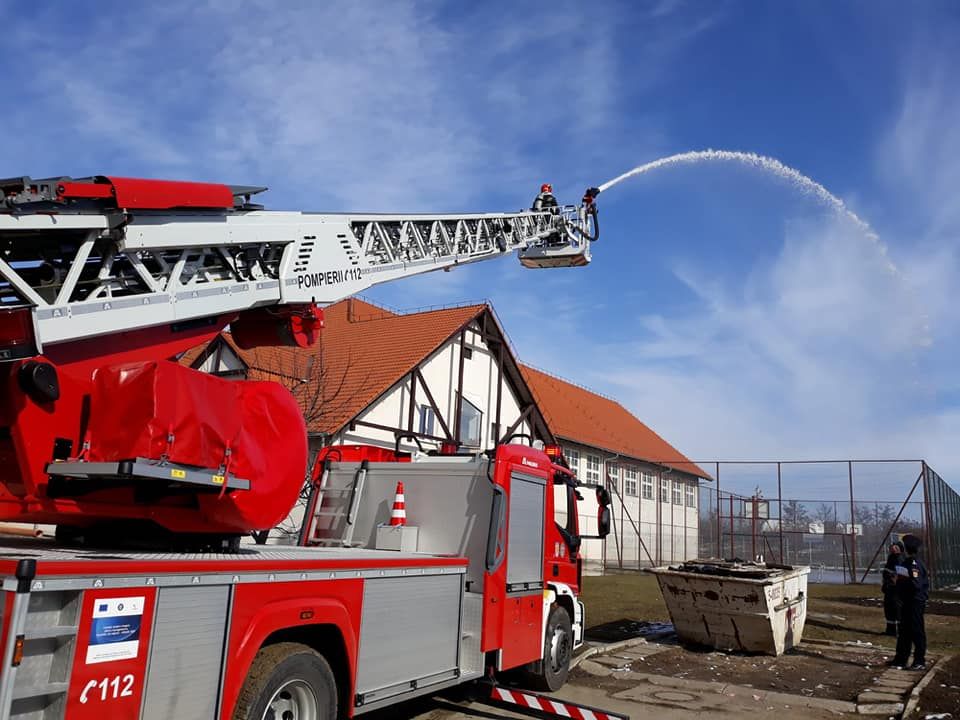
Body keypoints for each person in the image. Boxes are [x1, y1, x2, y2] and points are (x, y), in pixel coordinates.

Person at [889, 533, 928, 670]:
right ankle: (900, 659)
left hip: (915, 602)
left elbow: (916, 585)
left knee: (916, 630)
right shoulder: (906, 562)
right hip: (906, 601)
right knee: (904, 631)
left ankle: (919, 661)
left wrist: (901, 581)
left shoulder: (914, 564)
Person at [881, 540, 904, 636]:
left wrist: (894, 580)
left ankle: (900, 632)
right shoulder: (891, 558)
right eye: (892, 547)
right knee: (889, 609)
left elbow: (900, 575)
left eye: (895, 547)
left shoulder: (900, 559)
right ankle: (890, 631)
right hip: (889, 589)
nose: (893, 549)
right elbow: (886, 572)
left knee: (897, 610)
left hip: (896, 590)